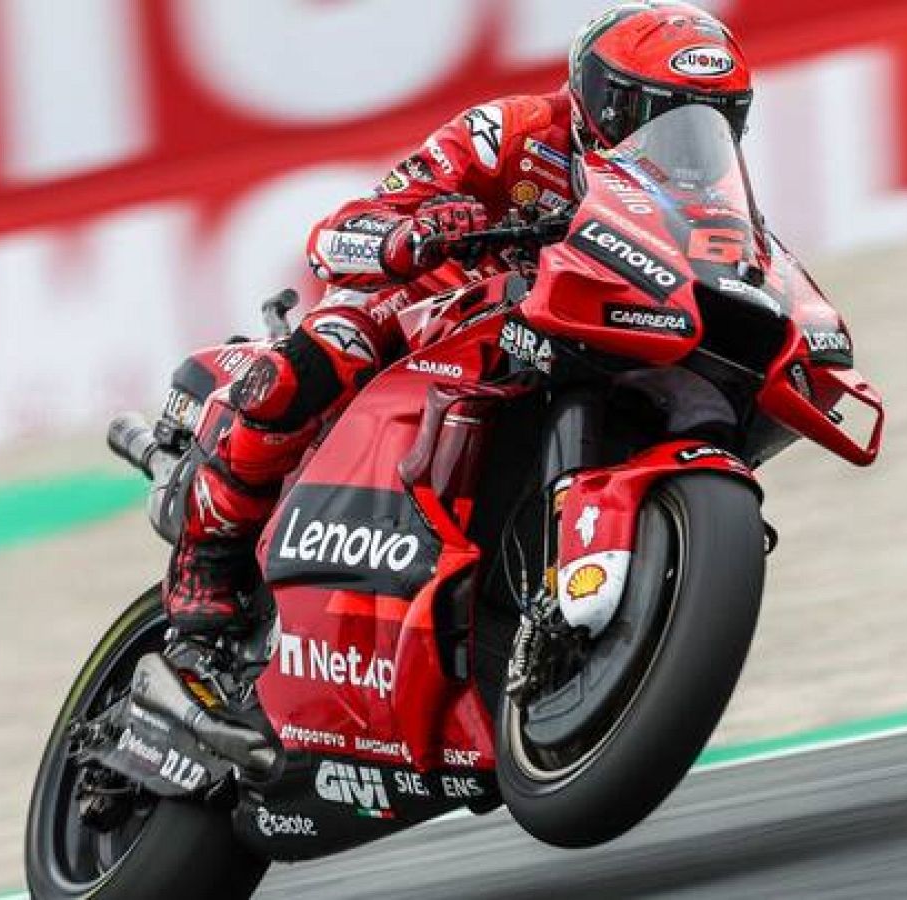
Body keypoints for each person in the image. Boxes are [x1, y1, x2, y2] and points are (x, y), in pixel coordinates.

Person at [163, 1, 756, 634]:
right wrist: (410, 235)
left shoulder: (706, 201)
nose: (682, 148)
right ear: (601, 103)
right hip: (433, 304)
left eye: (708, 123)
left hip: (562, 332)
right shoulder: (510, 131)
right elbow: (334, 235)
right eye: (655, 118)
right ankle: (209, 553)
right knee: (324, 353)